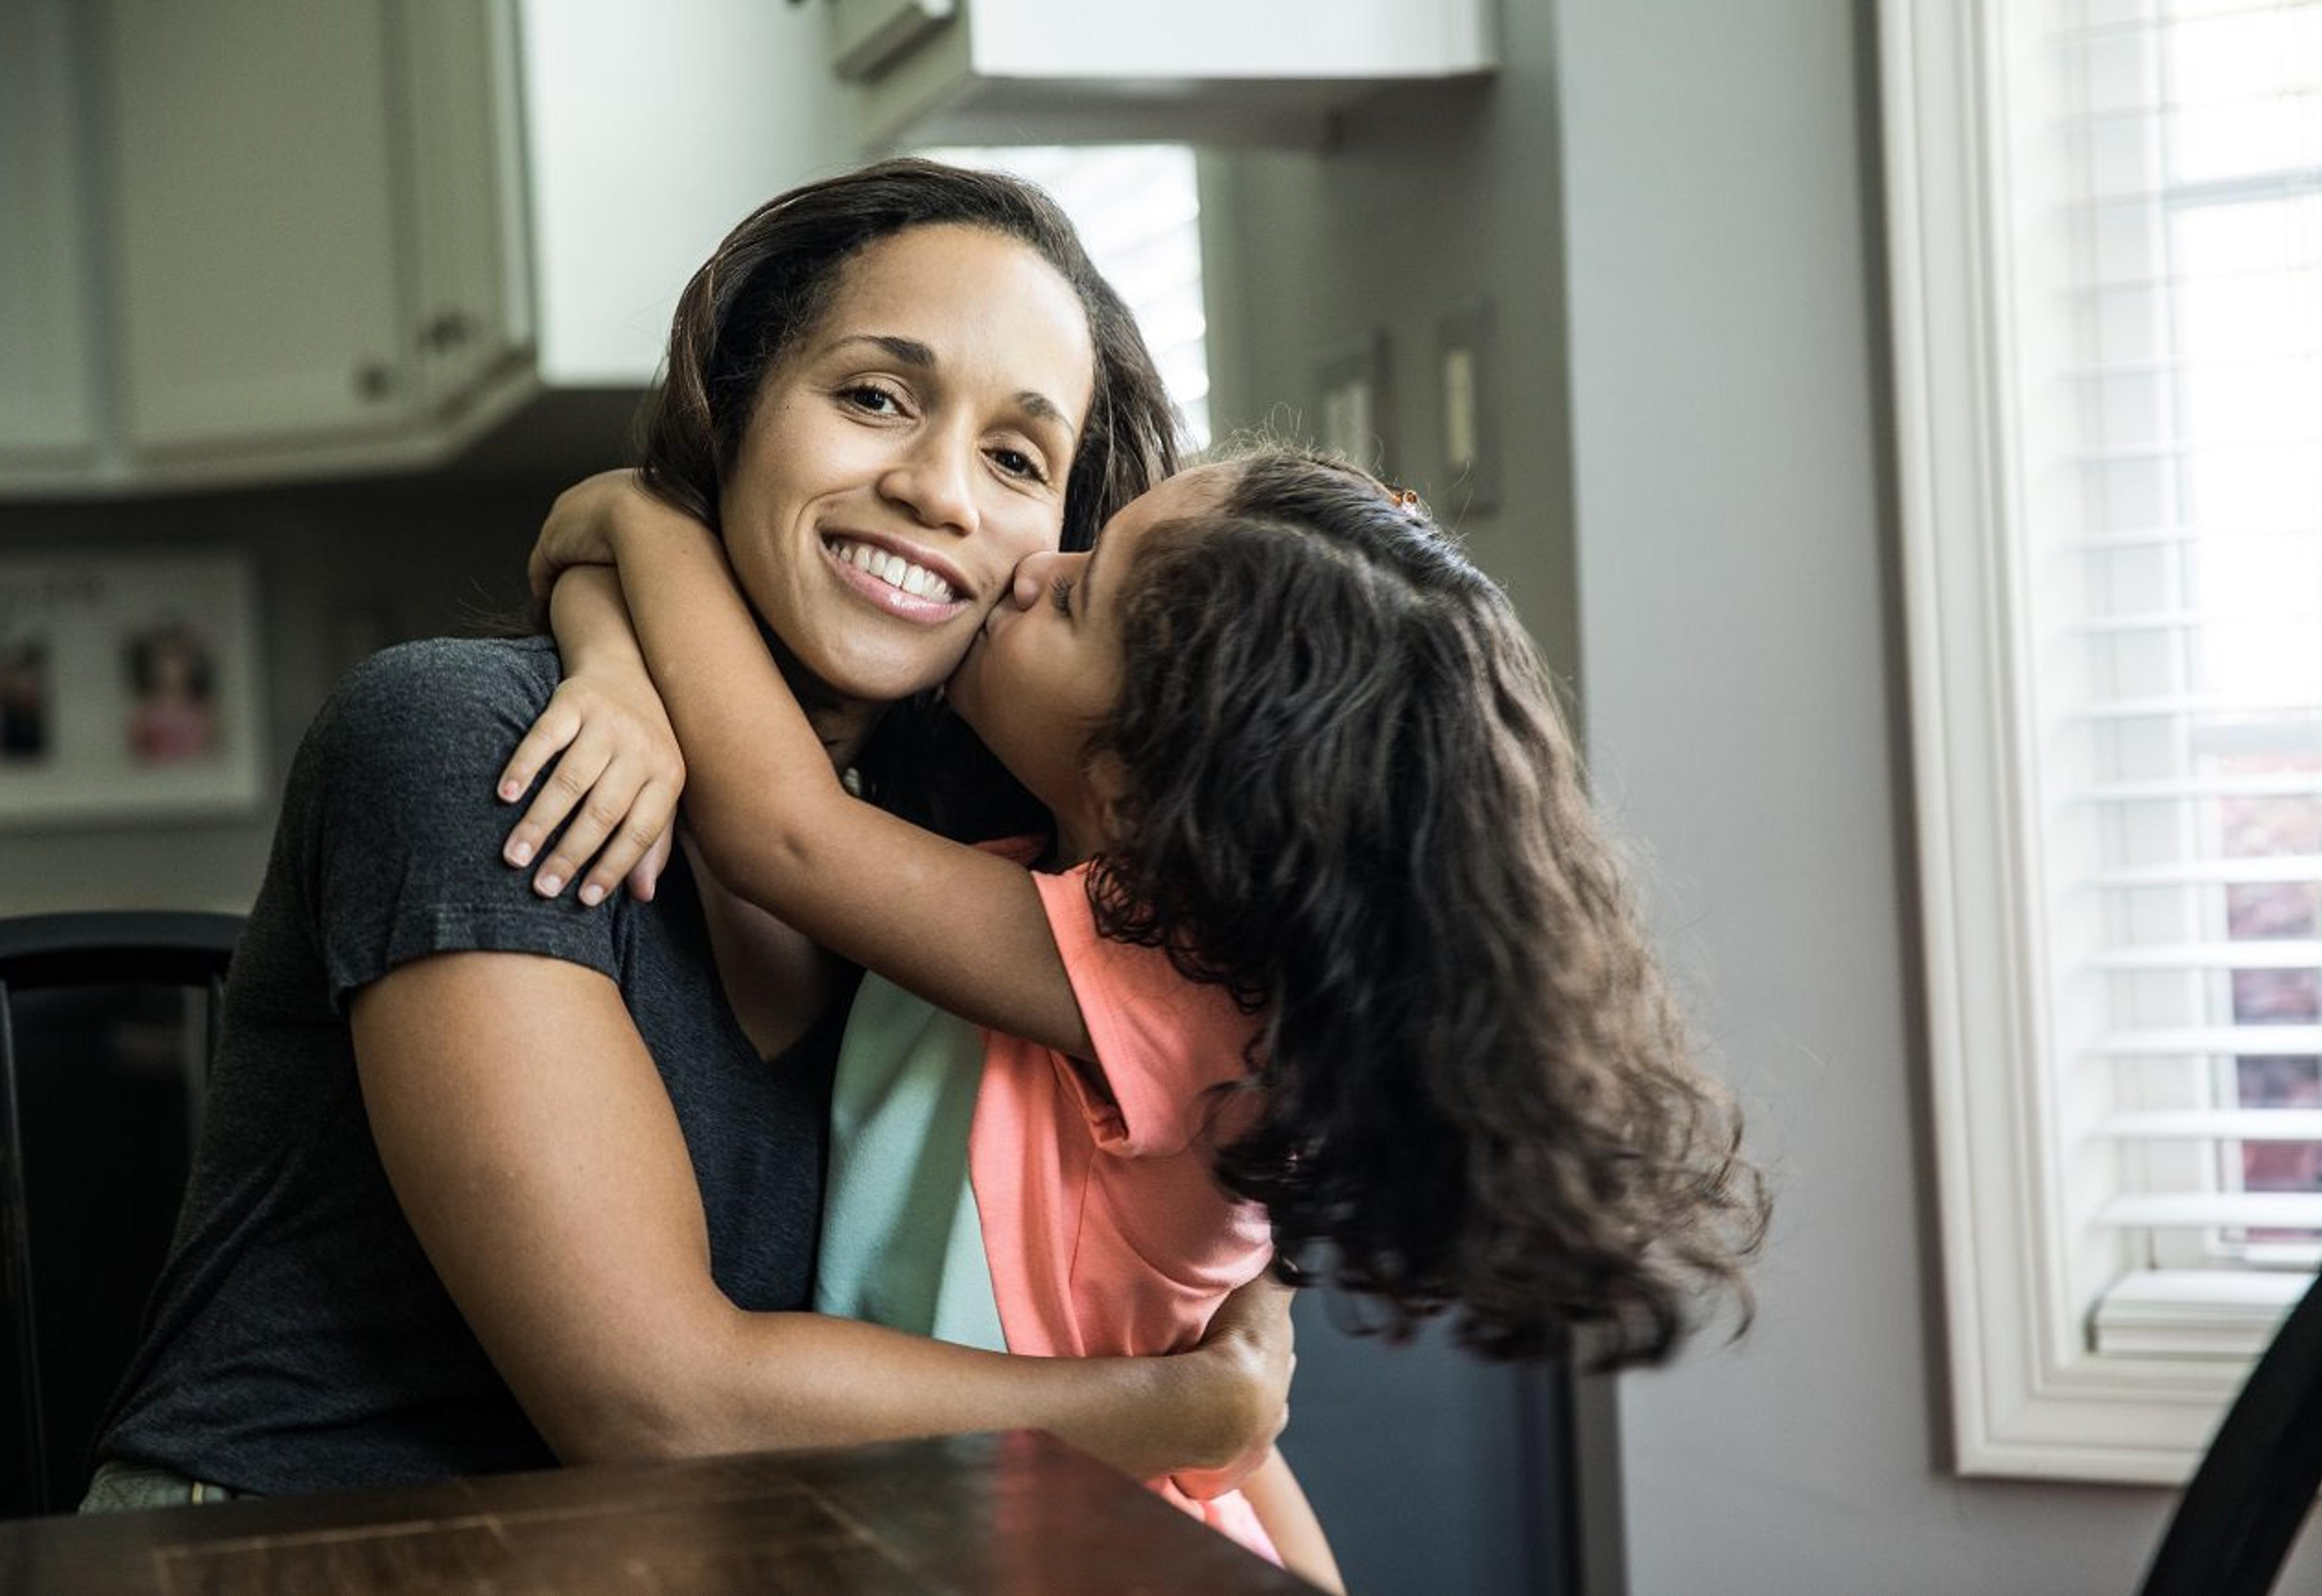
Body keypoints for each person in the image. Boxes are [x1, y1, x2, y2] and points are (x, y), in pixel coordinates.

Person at [81, 159, 1295, 1512]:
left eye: (1016, 458)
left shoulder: (967, 866)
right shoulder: (474, 745)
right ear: (736, 410)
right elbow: (652, 1405)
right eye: (874, 396)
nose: (942, 491)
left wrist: (618, 552)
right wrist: (1161, 1415)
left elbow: (1168, 1339)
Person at [504, 447, 1773, 1589]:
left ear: (1129, 779)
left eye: (1073, 595)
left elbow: (781, 829)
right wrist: (606, 636)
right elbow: (1212, 1423)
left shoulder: (1157, 980)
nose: (1023, 569)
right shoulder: (1082, 919)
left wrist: (641, 510)